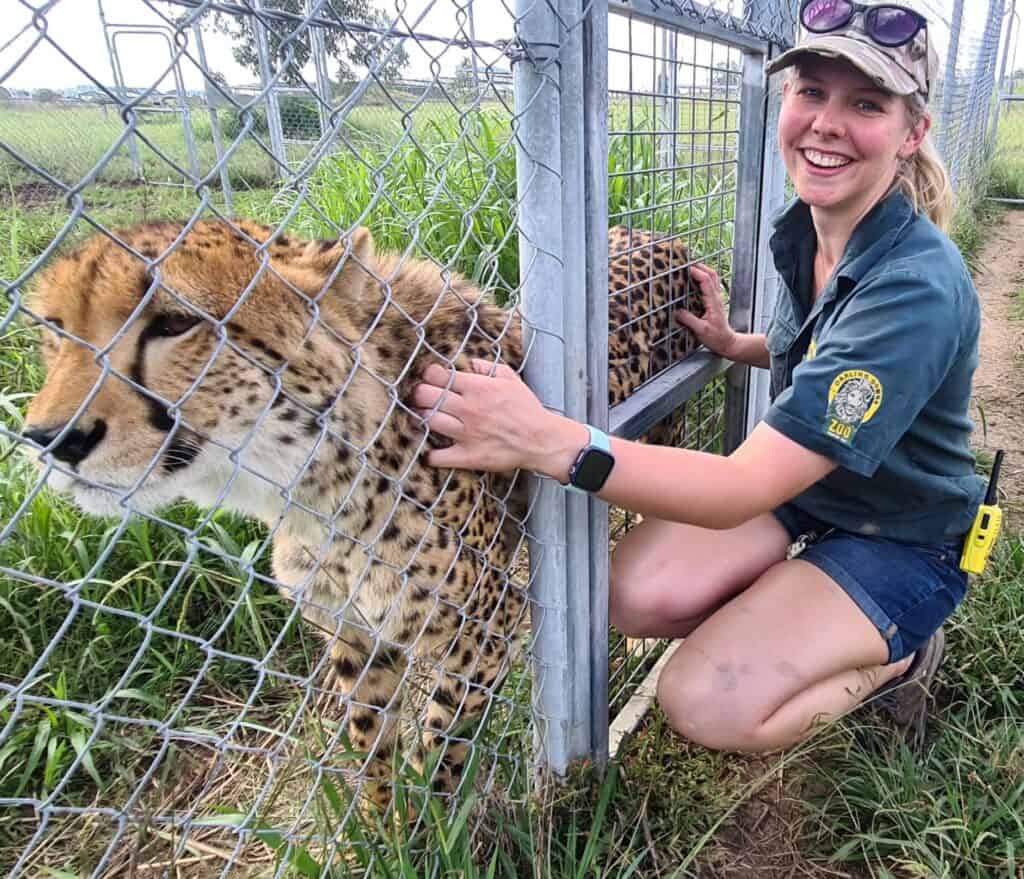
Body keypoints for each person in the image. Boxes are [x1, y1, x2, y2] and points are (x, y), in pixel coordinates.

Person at [411, 0, 983, 752]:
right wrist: (736, 342)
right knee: (627, 589)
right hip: (814, 494)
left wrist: (541, 438)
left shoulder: (915, 286)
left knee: (701, 699)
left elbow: (740, 487)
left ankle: (899, 654)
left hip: (903, 537)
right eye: (811, 91)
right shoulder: (815, 230)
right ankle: (798, 609)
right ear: (784, 99)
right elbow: (820, 357)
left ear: (912, 133)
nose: (827, 123)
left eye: (866, 104)